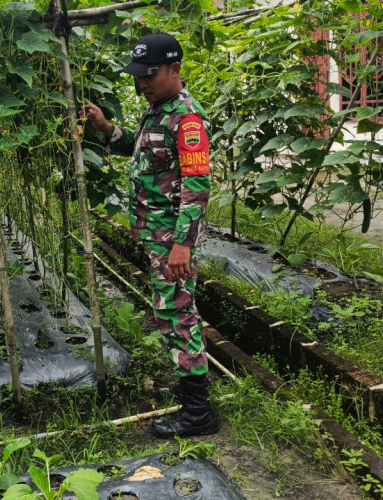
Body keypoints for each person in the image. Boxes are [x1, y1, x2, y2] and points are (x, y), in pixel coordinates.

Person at [82, 33, 219, 439]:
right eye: (138, 76)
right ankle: (192, 399)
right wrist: (106, 128)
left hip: (171, 239)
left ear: (175, 70)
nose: (142, 82)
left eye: (150, 74)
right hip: (157, 236)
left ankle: (198, 413)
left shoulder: (187, 120)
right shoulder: (157, 110)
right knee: (171, 312)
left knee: (177, 315)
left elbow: (198, 185)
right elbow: (141, 151)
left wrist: (182, 244)